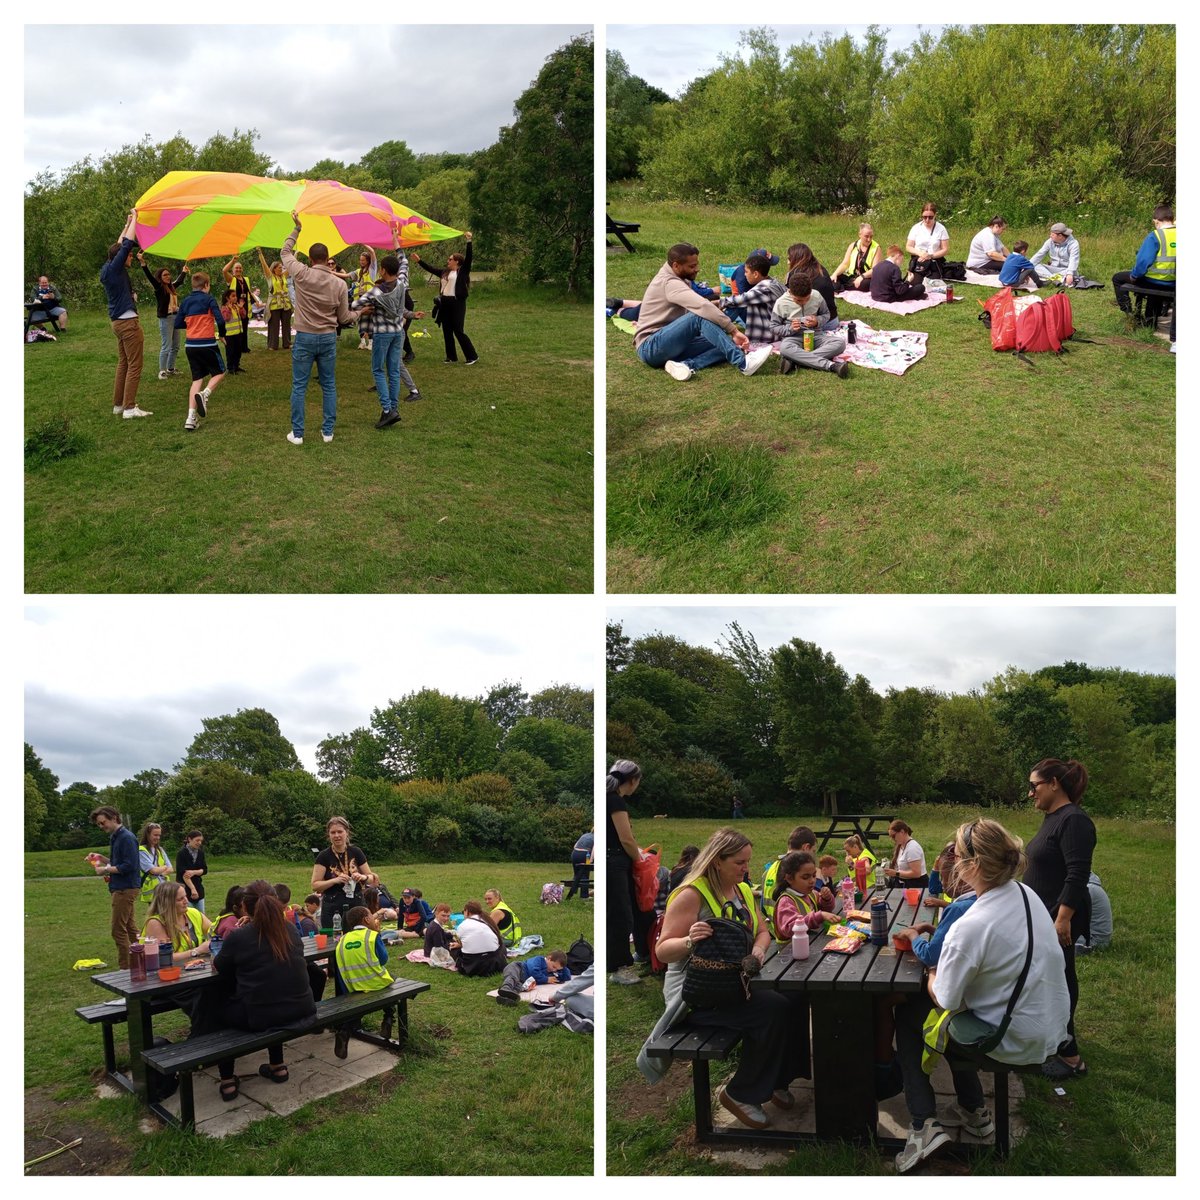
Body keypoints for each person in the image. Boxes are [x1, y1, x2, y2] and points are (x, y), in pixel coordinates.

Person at [891, 818, 1068, 1173]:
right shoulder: (1025, 893)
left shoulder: (970, 924)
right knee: (947, 1016)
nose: (954, 862)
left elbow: (945, 998)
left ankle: (923, 1125)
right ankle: (973, 1110)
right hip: (1050, 1023)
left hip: (1012, 1038)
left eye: (957, 856)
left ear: (972, 865)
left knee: (911, 1015)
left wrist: (932, 968)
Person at [639, 827, 808, 1130]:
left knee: (795, 996)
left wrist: (758, 951)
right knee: (773, 1009)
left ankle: (776, 1080)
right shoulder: (691, 894)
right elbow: (662, 951)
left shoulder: (742, 890)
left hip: (735, 984)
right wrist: (689, 941)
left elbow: (763, 931)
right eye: (740, 862)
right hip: (698, 995)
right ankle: (740, 1093)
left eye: (748, 862)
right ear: (717, 861)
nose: (746, 868)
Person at [191, 880, 321, 1101]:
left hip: (261, 1017)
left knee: (216, 996)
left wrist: (242, 932)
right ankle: (277, 1066)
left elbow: (220, 966)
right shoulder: (289, 929)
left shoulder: (239, 937)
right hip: (302, 1009)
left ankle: (227, 1080)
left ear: (245, 907)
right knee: (270, 990)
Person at [1022, 757, 1096, 1080]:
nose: (1030, 793)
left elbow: (1078, 873)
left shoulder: (1074, 820)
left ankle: (1071, 1057)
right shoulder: (1053, 818)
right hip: (1047, 915)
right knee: (1051, 978)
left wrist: (1063, 918)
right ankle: (1056, 1040)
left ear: (1054, 783)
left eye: (1034, 785)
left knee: (1061, 980)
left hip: (1060, 917)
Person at [632, 243, 772, 381]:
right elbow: (701, 307)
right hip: (651, 347)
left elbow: (699, 306)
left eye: (696, 264)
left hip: (671, 345)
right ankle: (743, 363)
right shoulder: (669, 282)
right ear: (676, 265)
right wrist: (733, 330)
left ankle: (685, 365)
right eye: (692, 266)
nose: (697, 269)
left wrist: (719, 307)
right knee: (699, 317)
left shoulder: (679, 277)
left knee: (726, 343)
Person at [281, 210, 353, 445]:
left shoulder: (302, 273)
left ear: (311, 259)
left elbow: (285, 252)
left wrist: (297, 228)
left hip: (305, 337)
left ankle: (298, 434)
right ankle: (327, 432)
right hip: (328, 337)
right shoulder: (339, 284)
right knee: (328, 384)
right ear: (327, 258)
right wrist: (360, 313)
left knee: (299, 386)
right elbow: (344, 318)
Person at [351, 223, 425, 428]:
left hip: (382, 335)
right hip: (398, 332)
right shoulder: (402, 282)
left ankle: (387, 410)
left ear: (382, 271)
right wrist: (395, 239)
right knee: (393, 371)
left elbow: (355, 305)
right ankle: (394, 409)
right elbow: (403, 260)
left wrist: (367, 309)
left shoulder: (376, 292)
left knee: (378, 370)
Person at [100, 209, 151, 419]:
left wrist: (127, 224)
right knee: (135, 365)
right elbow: (126, 244)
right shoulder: (115, 269)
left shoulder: (107, 268)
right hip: (128, 324)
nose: (130, 257)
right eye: (128, 256)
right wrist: (136, 219)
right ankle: (129, 408)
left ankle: (118, 405)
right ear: (120, 257)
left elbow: (119, 244)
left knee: (123, 363)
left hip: (117, 323)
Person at [411, 232, 478, 364]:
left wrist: (469, 241)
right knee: (447, 330)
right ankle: (451, 357)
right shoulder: (444, 272)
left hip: (457, 303)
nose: (448, 261)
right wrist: (419, 261)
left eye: (450, 259)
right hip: (445, 303)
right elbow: (430, 269)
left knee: (458, 330)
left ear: (457, 261)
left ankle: (472, 356)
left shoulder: (462, 271)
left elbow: (469, 258)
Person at [89, 805, 142, 969]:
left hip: (125, 888)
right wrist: (100, 858)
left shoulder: (126, 837)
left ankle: (126, 968)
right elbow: (117, 862)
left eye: (103, 822)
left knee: (118, 930)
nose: (101, 826)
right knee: (130, 928)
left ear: (114, 818)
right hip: (120, 887)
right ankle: (144, 958)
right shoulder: (115, 837)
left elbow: (129, 865)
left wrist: (105, 869)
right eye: (99, 824)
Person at [607, 758, 645, 985]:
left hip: (612, 862)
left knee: (622, 912)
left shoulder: (607, 799)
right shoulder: (615, 801)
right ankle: (620, 967)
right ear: (632, 780)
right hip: (615, 864)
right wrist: (640, 859)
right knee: (620, 916)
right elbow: (626, 839)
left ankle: (630, 956)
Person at [174, 271, 226, 432]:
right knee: (220, 372)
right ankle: (205, 394)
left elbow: (177, 323)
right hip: (207, 343)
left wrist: (192, 325)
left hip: (191, 345)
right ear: (207, 285)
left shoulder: (185, 301)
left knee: (197, 380)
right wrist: (222, 334)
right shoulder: (209, 299)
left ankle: (190, 418)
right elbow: (220, 320)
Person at [771, 269, 849, 378]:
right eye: (798, 300)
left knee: (839, 343)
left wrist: (817, 321)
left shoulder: (816, 295)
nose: (804, 302)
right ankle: (831, 366)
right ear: (790, 292)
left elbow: (826, 314)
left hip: (816, 336)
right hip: (793, 338)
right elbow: (774, 327)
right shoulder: (781, 303)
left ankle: (795, 361)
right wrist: (790, 328)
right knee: (785, 348)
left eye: (807, 299)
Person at [310, 815, 373, 930]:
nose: (337, 835)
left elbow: (372, 878)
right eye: (333, 832)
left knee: (361, 936)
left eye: (340, 832)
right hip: (332, 906)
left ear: (346, 832)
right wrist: (335, 880)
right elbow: (315, 885)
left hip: (356, 903)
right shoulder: (323, 856)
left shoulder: (356, 852)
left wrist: (362, 877)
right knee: (334, 939)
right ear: (328, 835)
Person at [1112, 203, 1176, 313]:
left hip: (1153, 281)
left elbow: (1143, 262)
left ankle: (1128, 311)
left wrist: (1134, 276)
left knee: (1117, 278)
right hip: (1174, 283)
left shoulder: (1155, 236)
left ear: (1156, 221)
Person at [138, 253, 189, 379]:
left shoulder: (171, 287)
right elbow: (150, 277)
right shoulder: (159, 288)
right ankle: (162, 371)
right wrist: (143, 263)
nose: (168, 276)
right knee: (166, 345)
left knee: (175, 346)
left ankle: (170, 369)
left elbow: (179, 281)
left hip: (175, 318)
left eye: (168, 274)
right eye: (165, 275)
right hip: (166, 319)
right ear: (160, 278)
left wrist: (184, 271)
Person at [718, 254, 785, 344]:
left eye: (746, 272)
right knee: (737, 304)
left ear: (756, 274)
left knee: (736, 304)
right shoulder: (773, 282)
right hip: (776, 327)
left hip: (768, 335)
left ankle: (716, 329)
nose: (745, 274)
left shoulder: (764, 289)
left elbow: (741, 299)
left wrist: (718, 302)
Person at [769, 851, 835, 941]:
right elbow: (790, 928)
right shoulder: (786, 901)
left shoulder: (811, 894)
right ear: (789, 878)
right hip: (790, 948)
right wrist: (819, 916)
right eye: (805, 877)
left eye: (814, 875)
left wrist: (826, 899)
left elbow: (826, 910)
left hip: (810, 942)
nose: (812, 880)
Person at [142, 880, 212, 963]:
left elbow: (216, 932)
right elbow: (163, 958)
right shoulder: (155, 923)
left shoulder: (193, 913)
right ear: (167, 903)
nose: (186, 901)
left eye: (185, 896)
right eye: (180, 899)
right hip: (168, 969)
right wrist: (196, 951)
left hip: (194, 966)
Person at [761, 825, 818, 925]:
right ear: (806, 847)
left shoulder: (771, 868)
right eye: (813, 851)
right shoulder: (794, 869)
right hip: (793, 926)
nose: (814, 855)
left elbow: (762, 905)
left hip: (777, 924)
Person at [449, 899, 509, 976]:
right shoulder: (488, 921)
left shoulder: (462, 925)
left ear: (467, 911)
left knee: (454, 949)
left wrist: (459, 945)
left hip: (475, 965)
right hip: (495, 962)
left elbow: (465, 941)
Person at [785, 243, 838, 322]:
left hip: (813, 322)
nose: (788, 262)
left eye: (789, 259)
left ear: (795, 259)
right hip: (833, 319)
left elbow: (790, 300)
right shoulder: (821, 269)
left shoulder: (795, 276)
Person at [496, 950, 571, 1004]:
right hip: (518, 968)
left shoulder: (553, 972)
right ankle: (506, 987)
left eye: (557, 969)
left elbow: (567, 976)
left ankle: (508, 998)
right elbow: (533, 971)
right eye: (554, 966)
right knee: (512, 977)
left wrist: (562, 968)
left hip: (523, 981)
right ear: (549, 958)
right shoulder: (539, 960)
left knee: (518, 986)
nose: (554, 970)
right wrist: (546, 979)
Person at [256, 247, 293, 350]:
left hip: (285, 304)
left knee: (286, 324)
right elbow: (264, 265)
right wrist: (260, 253)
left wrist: (295, 255)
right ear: (274, 269)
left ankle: (287, 343)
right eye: (279, 267)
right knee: (274, 325)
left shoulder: (284, 276)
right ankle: (272, 345)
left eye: (282, 267)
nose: (281, 269)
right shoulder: (270, 277)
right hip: (274, 304)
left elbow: (291, 266)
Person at [905, 203, 950, 281]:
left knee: (932, 284)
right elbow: (908, 247)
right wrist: (920, 253)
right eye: (924, 217)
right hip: (918, 260)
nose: (927, 220)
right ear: (921, 215)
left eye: (930, 217)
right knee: (915, 284)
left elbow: (945, 249)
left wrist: (931, 256)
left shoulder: (941, 229)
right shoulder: (915, 228)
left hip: (934, 260)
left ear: (935, 215)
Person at [832, 223, 882, 293]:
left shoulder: (876, 248)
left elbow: (874, 270)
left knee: (865, 284)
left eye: (871, 237)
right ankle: (846, 286)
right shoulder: (853, 245)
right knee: (835, 277)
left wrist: (862, 277)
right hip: (852, 276)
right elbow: (845, 264)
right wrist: (835, 274)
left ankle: (841, 287)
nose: (869, 239)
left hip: (865, 278)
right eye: (866, 236)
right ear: (860, 235)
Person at [221, 257, 252, 364]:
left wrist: (255, 301)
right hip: (233, 307)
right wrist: (233, 261)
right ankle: (235, 349)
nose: (238, 269)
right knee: (236, 327)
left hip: (244, 305)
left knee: (244, 327)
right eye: (236, 268)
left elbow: (249, 292)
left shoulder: (246, 279)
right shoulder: (231, 279)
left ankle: (244, 347)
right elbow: (224, 270)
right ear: (233, 270)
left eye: (240, 268)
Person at [1030, 222, 1082, 287]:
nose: (1050, 236)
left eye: (1052, 234)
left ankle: (1050, 278)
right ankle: (1055, 279)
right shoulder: (1049, 241)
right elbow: (1040, 254)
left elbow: (1073, 259)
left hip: (1065, 270)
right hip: (1053, 268)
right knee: (1035, 266)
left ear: (1060, 236)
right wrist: (1026, 266)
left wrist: (1069, 274)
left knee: (1072, 273)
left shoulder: (1073, 244)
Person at [881, 820, 928, 888]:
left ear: (902, 832)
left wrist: (896, 873)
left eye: (893, 836)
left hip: (916, 886)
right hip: (905, 884)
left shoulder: (913, 848)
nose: (892, 839)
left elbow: (916, 873)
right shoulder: (901, 845)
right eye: (890, 836)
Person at [1076, 872, 1112, 952]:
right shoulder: (1085, 885)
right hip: (1089, 936)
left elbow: (1066, 917)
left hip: (1095, 941)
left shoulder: (1088, 889)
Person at [350, 247, 378, 349]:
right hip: (360, 300)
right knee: (361, 320)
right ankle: (362, 342)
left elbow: (372, 252)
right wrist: (332, 273)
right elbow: (346, 275)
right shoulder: (359, 272)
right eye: (360, 260)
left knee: (371, 321)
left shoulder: (372, 270)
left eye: (363, 260)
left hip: (370, 300)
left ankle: (370, 343)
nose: (361, 262)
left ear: (368, 261)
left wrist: (364, 243)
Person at [138, 823, 173, 904]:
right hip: (152, 891)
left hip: (165, 888)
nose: (158, 837)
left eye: (159, 835)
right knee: (156, 912)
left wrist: (160, 872)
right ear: (147, 835)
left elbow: (171, 869)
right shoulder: (141, 850)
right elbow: (153, 870)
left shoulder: (160, 849)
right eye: (155, 835)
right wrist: (164, 867)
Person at [175, 830, 207, 912]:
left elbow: (204, 870)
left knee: (201, 915)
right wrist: (193, 889)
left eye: (201, 841)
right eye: (197, 840)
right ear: (189, 839)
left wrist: (194, 872)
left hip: (199, 888)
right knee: (188, 915)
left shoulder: (200, 853)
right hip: (185, 890)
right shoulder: (181, 853)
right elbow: (184, 874)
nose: (199, 843)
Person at [219, 288, 245, 375]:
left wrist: (241, 308)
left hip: (238, 333)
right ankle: (230, 368)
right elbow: (226, 318)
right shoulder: (224, 308)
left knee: (238, 351)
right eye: (233, 296)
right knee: (230, 352)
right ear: (227, 298)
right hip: (229, 334)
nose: (235, 298)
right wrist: (229, 310)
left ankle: (236, 366)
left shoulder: (236, 306)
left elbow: (244, 316)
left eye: (236, 296)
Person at [571, 828, 594, 899]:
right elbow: (594, 850)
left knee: (577, 874)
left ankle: (573, 891)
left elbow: (575, 846)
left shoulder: (585, 835)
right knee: (585, 876)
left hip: (574, 853)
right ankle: (584, 896)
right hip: (584, 854)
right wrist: (591, 860)